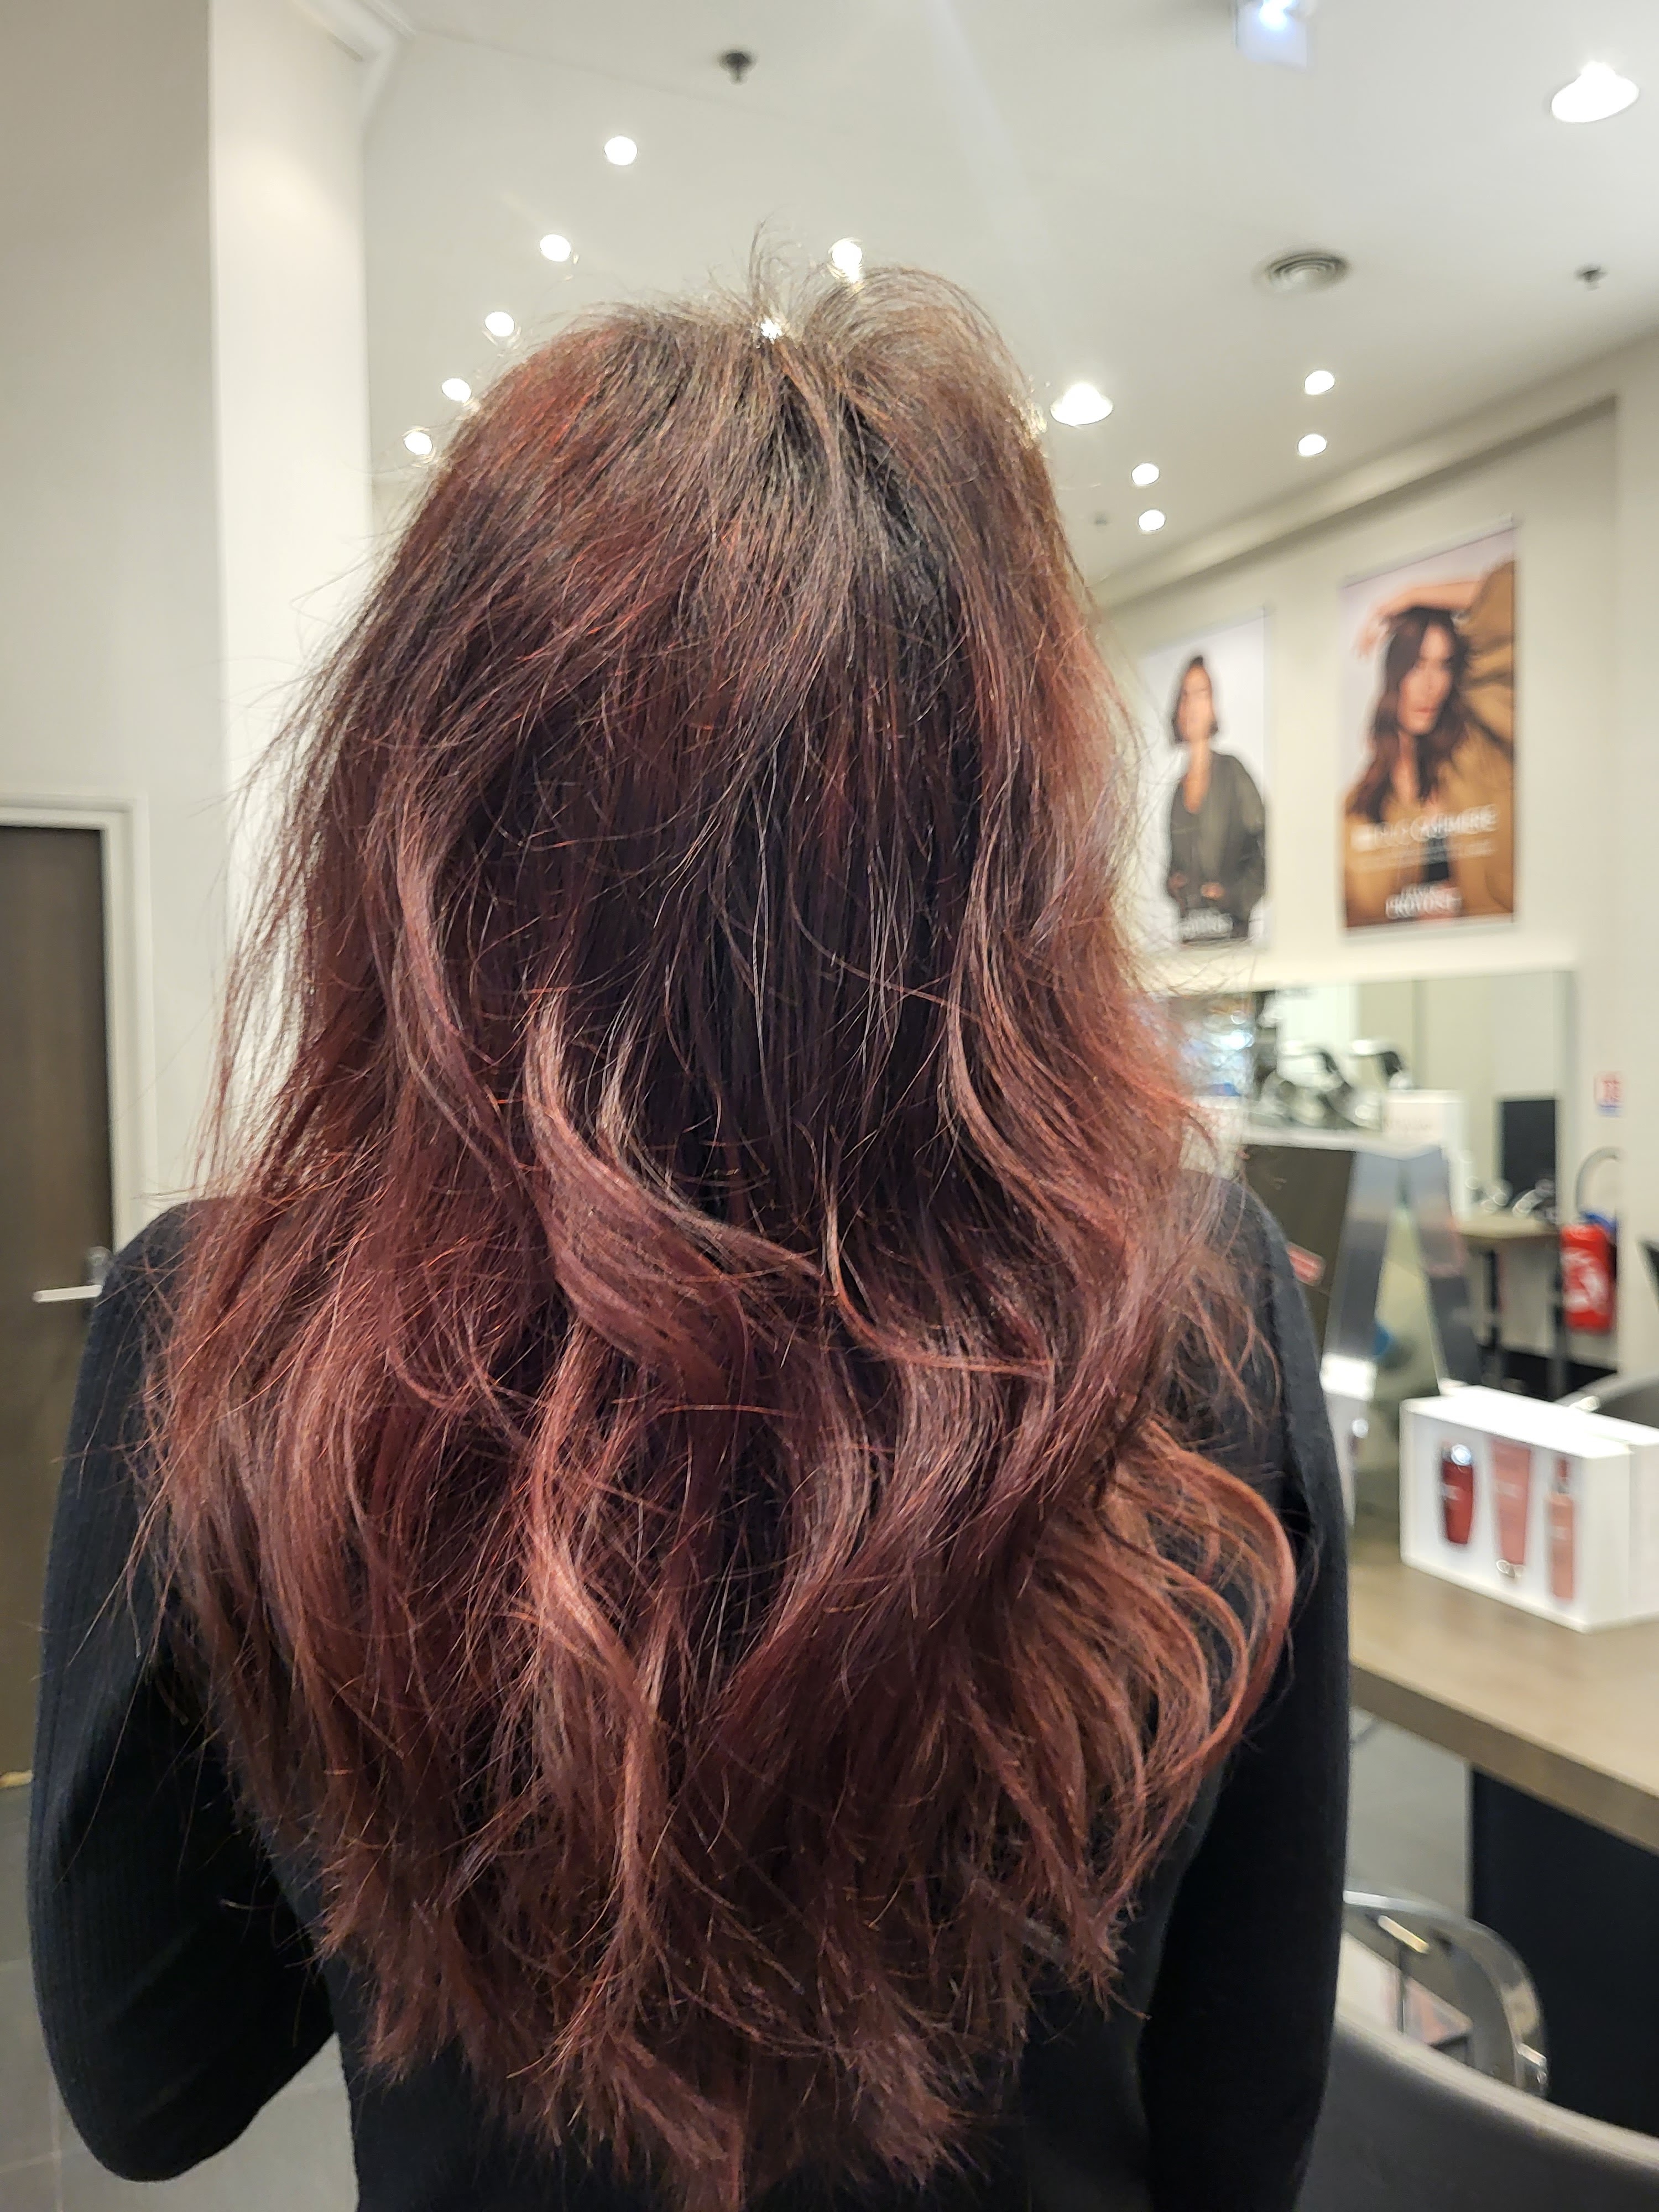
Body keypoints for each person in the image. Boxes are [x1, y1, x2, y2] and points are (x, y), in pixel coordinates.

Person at [29, 271, 1347, 2212]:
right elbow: (1245, 2120)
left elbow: (152, 2078)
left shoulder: (243, 1317)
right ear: (1001, 848)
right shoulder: (1196, 1298)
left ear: (433, 806)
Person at [1342, 561, 1515, 928]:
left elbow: (1515, 596)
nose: (1431, 685)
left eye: (1443, 665)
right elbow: (1352, 921)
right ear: (1395, 674)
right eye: (1417, 665)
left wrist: (1413, 595)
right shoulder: (1359, 806)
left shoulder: (1480, 752)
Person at [1164, 653, 1267, 943]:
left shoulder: (1233, 773)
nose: (1192, 706)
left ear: (1213, 705)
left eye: (1201, 694)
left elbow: (1264, 845)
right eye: (1186, 696)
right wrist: (1175, 886)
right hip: (1191, 938)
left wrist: (1231, 895)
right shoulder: (1176, 792)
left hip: (1232, 938)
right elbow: (1171, 865)